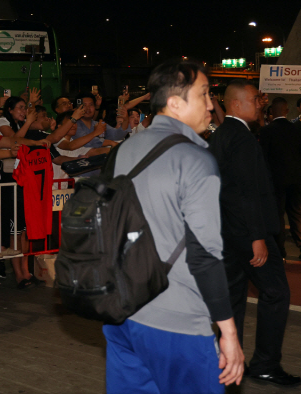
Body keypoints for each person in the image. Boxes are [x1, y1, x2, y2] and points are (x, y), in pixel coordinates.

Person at [102, 60, 244, 393]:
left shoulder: (126, 148)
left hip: (123, 313)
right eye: (205, 94)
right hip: (176, 323)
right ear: (175, 102)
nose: (211, 104)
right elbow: (204, 255)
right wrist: (229, 333)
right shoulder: (196, 159)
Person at [208, 79, 299, 386]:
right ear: (236, 104)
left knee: (233, 298)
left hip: (227, 234)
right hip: (248, 234)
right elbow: (246, 192)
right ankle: (266, 363)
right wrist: (257, 238)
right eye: (253, 100)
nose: (259, 104)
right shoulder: (242, 139)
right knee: (276, 292)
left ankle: (228, 361)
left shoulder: (221, 135)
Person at [259, 97, 301, 261]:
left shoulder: (267, 131)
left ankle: (280, 251)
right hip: (296, 177)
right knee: (297, 213)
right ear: (287, 111)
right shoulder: (296, 129)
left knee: (278, 214)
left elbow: (263, 157)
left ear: (272, 113)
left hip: (277, 178)